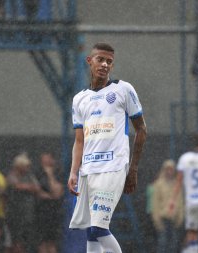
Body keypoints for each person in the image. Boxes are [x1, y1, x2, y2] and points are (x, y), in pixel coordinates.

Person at [67, 42, 147, 253]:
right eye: (100, 60)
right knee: (90, 231)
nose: (104, 65)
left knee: (98, 227)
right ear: (89, 60)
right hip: (88, 170)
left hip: (113, 166)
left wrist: (133, 169)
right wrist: (74, 171)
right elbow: (79, 140)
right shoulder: (79, 99)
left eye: (109, 62)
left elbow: (141, 130)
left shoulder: (123, 89)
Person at [6, 153, 41, 253]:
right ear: (19, 166)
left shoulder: (30, 176)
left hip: (28, 215)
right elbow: (16, 186)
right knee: (15, 242)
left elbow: (37, 188)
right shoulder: (11, 175)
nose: (28, 168)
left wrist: (28, 187)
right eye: (26, 166)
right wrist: (29, 187)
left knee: (26, 241)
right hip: (15, 215)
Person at [152, 159, 184, 253]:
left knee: (174, 244)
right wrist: (156, 220)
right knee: (162, 243)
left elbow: (180, 201)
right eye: (167, 169)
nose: (169, 172)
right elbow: (155, 204)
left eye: (171, 169)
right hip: (163, 218)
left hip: (174, 219)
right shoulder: (158, 184)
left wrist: (180, 217)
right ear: (164, 170)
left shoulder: (177, 185)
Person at [35, 152, 64, 253]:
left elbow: (57, 192)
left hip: (54, 212)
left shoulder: (58, 173)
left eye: (47, 159)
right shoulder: (37, 173)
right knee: (42, 242)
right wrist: (49, 196)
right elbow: (37, 192)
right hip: (41, 212)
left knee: (52, 242)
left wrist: (50, 174)